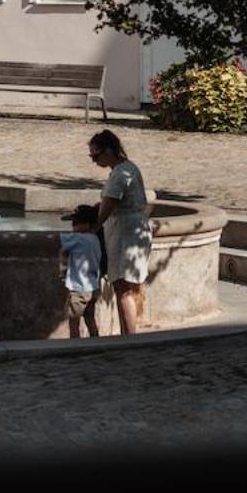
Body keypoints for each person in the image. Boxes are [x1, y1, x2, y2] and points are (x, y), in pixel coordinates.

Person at [87, 129, 154, 335]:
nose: (94, 161)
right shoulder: (127, 169)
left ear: (109, 150)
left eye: (95, 155)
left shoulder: (121, 174)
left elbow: (108, 207)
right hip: (132, 230)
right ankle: (127, 335)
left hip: (126, 234)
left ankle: (129, 338)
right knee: (126, 288)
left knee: (123, 289)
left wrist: (93, 228)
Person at [58, 205, 105, 338]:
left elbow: (59, 242)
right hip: (93, 287)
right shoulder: (95, 239)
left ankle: (75, 343)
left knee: (74, 320)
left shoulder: (78, 239)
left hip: (78, 288)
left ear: (87, 224)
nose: (73, 227)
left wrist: (62, 269)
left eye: (75, 223)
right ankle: (95, 340)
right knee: (90, 318)